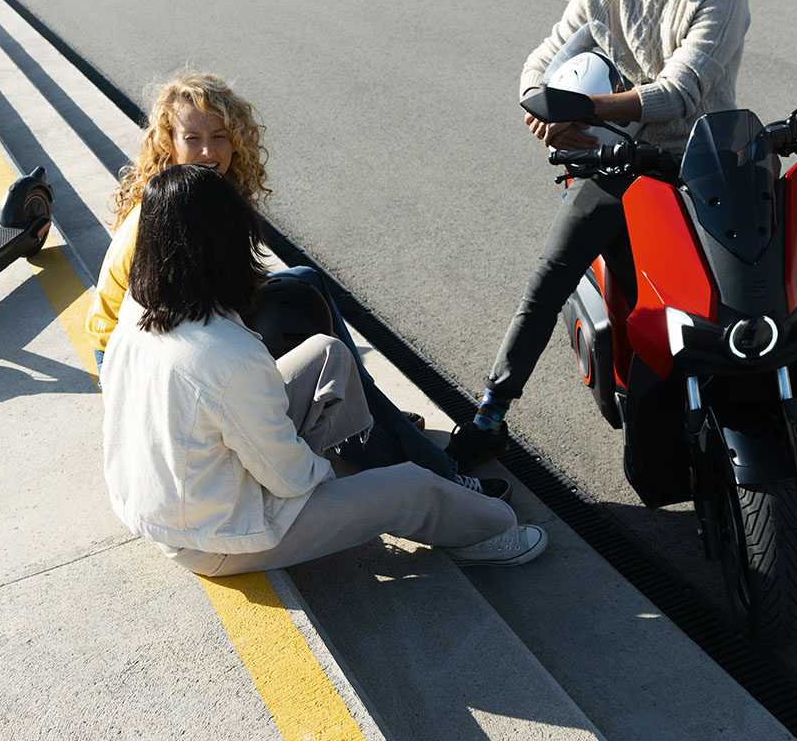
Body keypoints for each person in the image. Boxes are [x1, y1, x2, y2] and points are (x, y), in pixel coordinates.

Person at [100, 164, 548, 575]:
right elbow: (290, 480)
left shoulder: (141, 306)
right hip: (217, 538)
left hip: (175, 501)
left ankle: (371, 456)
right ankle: (486, 529)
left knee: (327, 354)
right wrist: (354, 490)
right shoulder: (228, 355)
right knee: (409, 488)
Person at [86, 73, 508, 497]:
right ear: (168, 143)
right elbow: (180, 328)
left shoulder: (205, 192)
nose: (209, 151)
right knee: (318, 355)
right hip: (138, 363)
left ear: (237, 138)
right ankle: (447, 477)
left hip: (177, 329)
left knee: (305, 284)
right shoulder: (171, 213)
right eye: (192, 138)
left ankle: (373, 408)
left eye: (220, 135)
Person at [446, 0, 750, 468]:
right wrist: (541, 104)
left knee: (734, 289)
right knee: (550, 274)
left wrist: (582, 106)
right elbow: (541, 58)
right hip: (618, 158)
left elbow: (680, 91)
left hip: (698, 159)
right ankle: (490, 412)